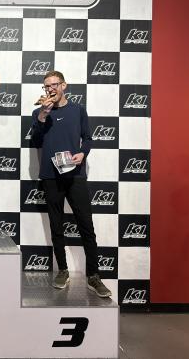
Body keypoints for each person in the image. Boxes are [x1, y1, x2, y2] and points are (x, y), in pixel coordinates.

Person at [31, 70, 111, 297]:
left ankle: (93, 275)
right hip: (50, 175)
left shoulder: (78, 110)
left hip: (75, 174)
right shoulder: (39, 112)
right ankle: (63, 270)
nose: (51, 89)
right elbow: (36, 139)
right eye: (47, 86)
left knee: (86, 226)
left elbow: (88, 138)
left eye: (54, 85)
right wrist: (43, 115)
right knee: (56, 226)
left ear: (64, 85)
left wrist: (83, 153)